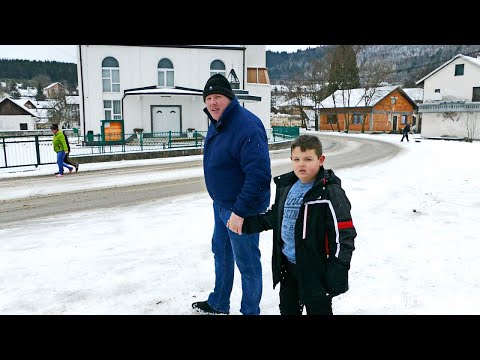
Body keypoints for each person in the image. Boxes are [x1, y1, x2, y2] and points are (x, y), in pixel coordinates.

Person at [239, 134, 357, 315]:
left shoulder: (329, 192)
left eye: (308, 159)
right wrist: (246, 224)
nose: (301, 164)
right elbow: (275, 216)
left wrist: (336, 273)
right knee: (287, 310)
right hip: (288, 266)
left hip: (316, 270)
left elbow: (344, 236)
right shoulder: (287, 187)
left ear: (321, 160)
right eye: (297, 159)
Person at [192, 74, 272, 315]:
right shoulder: (219, 122)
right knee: (222, 254)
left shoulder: (247, 127)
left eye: (218, 97)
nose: (213, 103)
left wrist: (240, 212)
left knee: (247, 265)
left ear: (229, 98)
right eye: (208, 98)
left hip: (242, 210)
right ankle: (219, 303)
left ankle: (250, 311)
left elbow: (258, 176)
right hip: (222, 205)